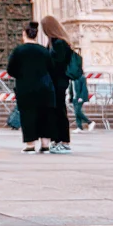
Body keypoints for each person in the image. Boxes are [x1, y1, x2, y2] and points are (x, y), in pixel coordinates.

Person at [6, 22, 57, 154]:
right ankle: (45, 144)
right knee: (45, 114)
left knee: (28, 114)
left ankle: (30, 145)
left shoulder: (18, 51)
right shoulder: (44, 51)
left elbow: (10, 70)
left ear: (24, 34)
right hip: (45, 87)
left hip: (26, 87)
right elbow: (51, 68)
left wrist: (22, 76)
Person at [42, 15, 75, 153]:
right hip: (54, 83)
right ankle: (57, 140)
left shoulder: (60, 43)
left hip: (58, 83)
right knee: (54, 111)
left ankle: (65, 142)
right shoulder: (53, 42)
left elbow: (58, 64)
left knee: (60, 111)